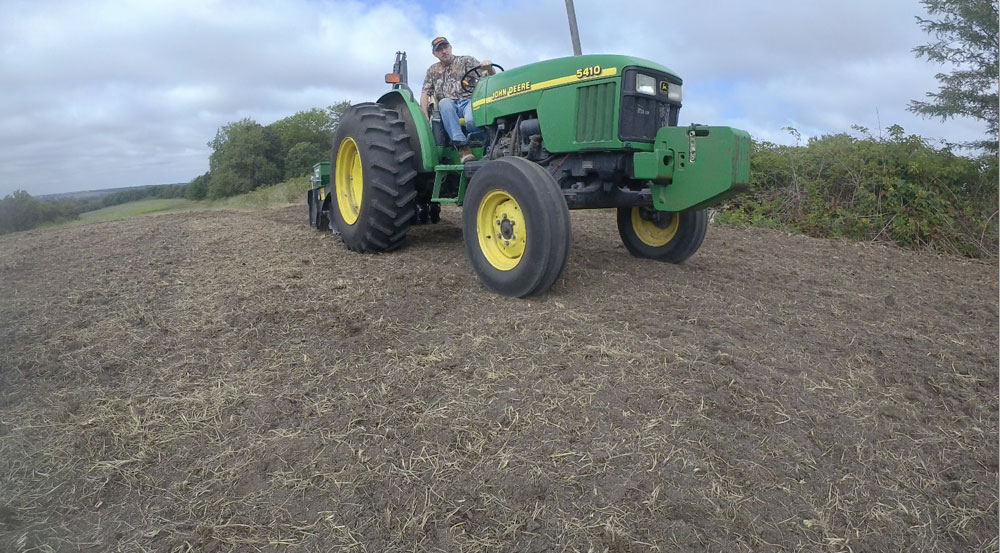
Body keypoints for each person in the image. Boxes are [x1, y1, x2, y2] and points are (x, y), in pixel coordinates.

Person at [420, 37, 494, 163]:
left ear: (450, 47)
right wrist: (425, 116)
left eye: (446, 47)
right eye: (440, 50)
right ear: (435, 54)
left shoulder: (466, 61)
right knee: (445, 103)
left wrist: (488, 67)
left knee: (471, 121)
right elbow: (425, 93)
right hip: (448, 107)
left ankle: (488, 143)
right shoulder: (432, 70)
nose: (444, 51)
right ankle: (462, 148)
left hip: (468, 102)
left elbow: (490, 78)